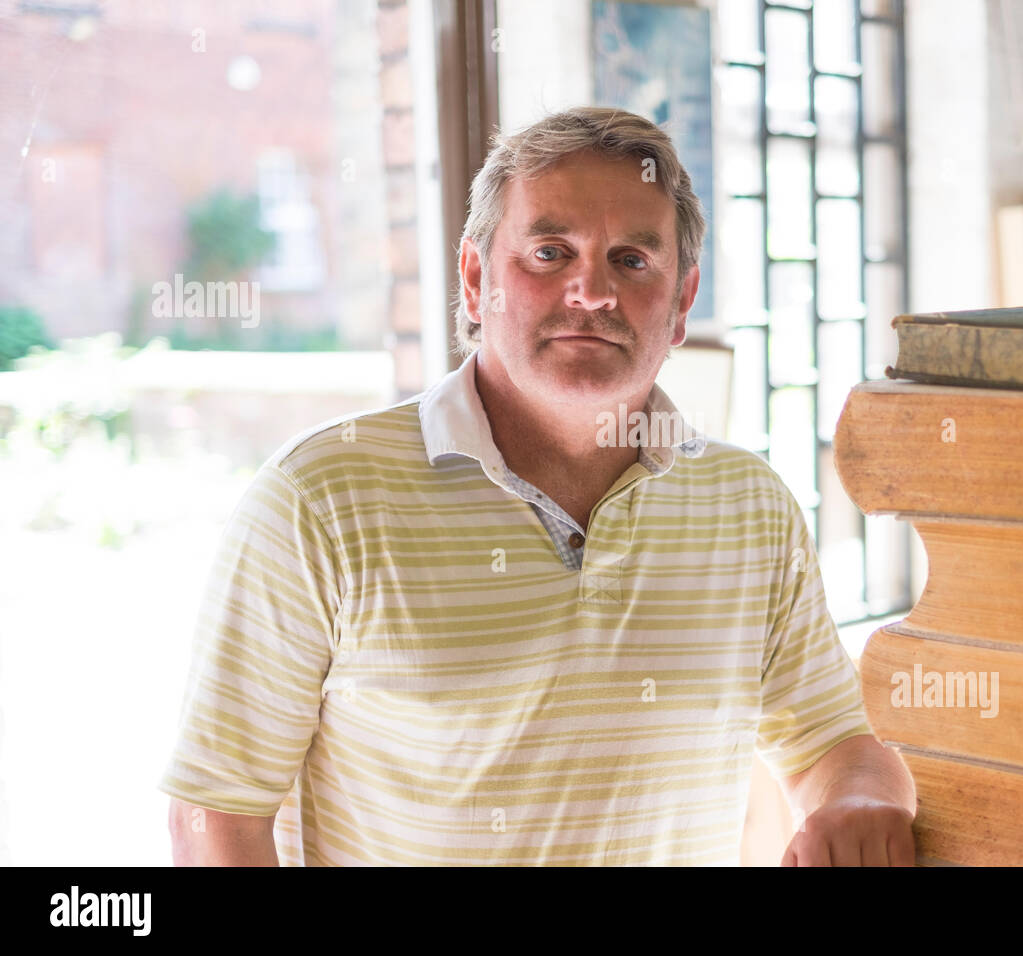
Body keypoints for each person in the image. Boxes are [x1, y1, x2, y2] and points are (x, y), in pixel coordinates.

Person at [160, 106, 916, 866]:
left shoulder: (750, 508)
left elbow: (834, 746)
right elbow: (215, 816)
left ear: (682, 303)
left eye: (632, 260)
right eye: (550, 252)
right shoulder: (319, 499)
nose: (592, 292)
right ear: (476, 277)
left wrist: (863, 799)